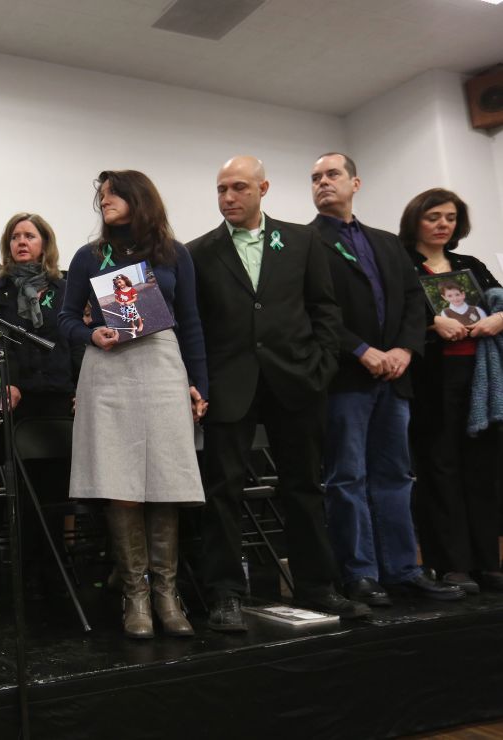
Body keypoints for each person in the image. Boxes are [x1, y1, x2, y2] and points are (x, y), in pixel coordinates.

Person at [187, 155, 368, 631]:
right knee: (222, 490)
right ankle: (225, 594)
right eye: (222, 189)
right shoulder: (198, 251)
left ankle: (317, 587)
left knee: (305, 487)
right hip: (229, 385)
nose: (229, 197)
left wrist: (323, 366)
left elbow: (325, 308)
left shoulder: (304, 241)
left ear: (263, 189)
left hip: (297, 380)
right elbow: (196, 324)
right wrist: (200, 382)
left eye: (239, 188)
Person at [57, 170, 207, 639]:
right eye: (101, 196)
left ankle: (167, 593)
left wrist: (199, 383)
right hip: (110, 367)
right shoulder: (88, 256)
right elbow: (64, 318)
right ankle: (136, 595)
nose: (104, 201)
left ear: (138, 198)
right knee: (121, 479)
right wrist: (89, 333)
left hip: (163, 367)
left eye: (113, 194)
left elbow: (192, 322)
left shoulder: (173, 253)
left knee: (165, 479)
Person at [308, 153, 463, 604]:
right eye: (315, 178)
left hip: (394, 378)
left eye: (332, 175)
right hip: (344, 378)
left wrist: (403, 350)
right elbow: (312, 311)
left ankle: (403, 570)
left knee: (396, 475)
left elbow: (417, 304)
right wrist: (361, 350)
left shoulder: (389, 243)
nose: (323, 183)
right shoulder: (304, 242)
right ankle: (360, 574)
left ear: (355, 183)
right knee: (346, 478)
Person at [399, 188, 503, 594]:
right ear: (416, 220)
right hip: (431, 378)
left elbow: (498, 303)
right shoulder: (403, 265)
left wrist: (498, 321)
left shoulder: (469, 264)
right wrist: (431, 325)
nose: (443, 225)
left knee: (482, 469)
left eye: (450, 218)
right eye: (433, 217)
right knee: (439, 468)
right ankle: (451, 564)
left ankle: (487, 562)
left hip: (480, 378)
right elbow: (392, 317)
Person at [0, 212, 80, 421]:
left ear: (45, 244)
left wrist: (83, 388)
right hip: (17, 397)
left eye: (29, 236)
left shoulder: (64, 289)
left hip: (62, 396)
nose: (21, 242)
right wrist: (6, 383)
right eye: (15, 237)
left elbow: (77, 343)